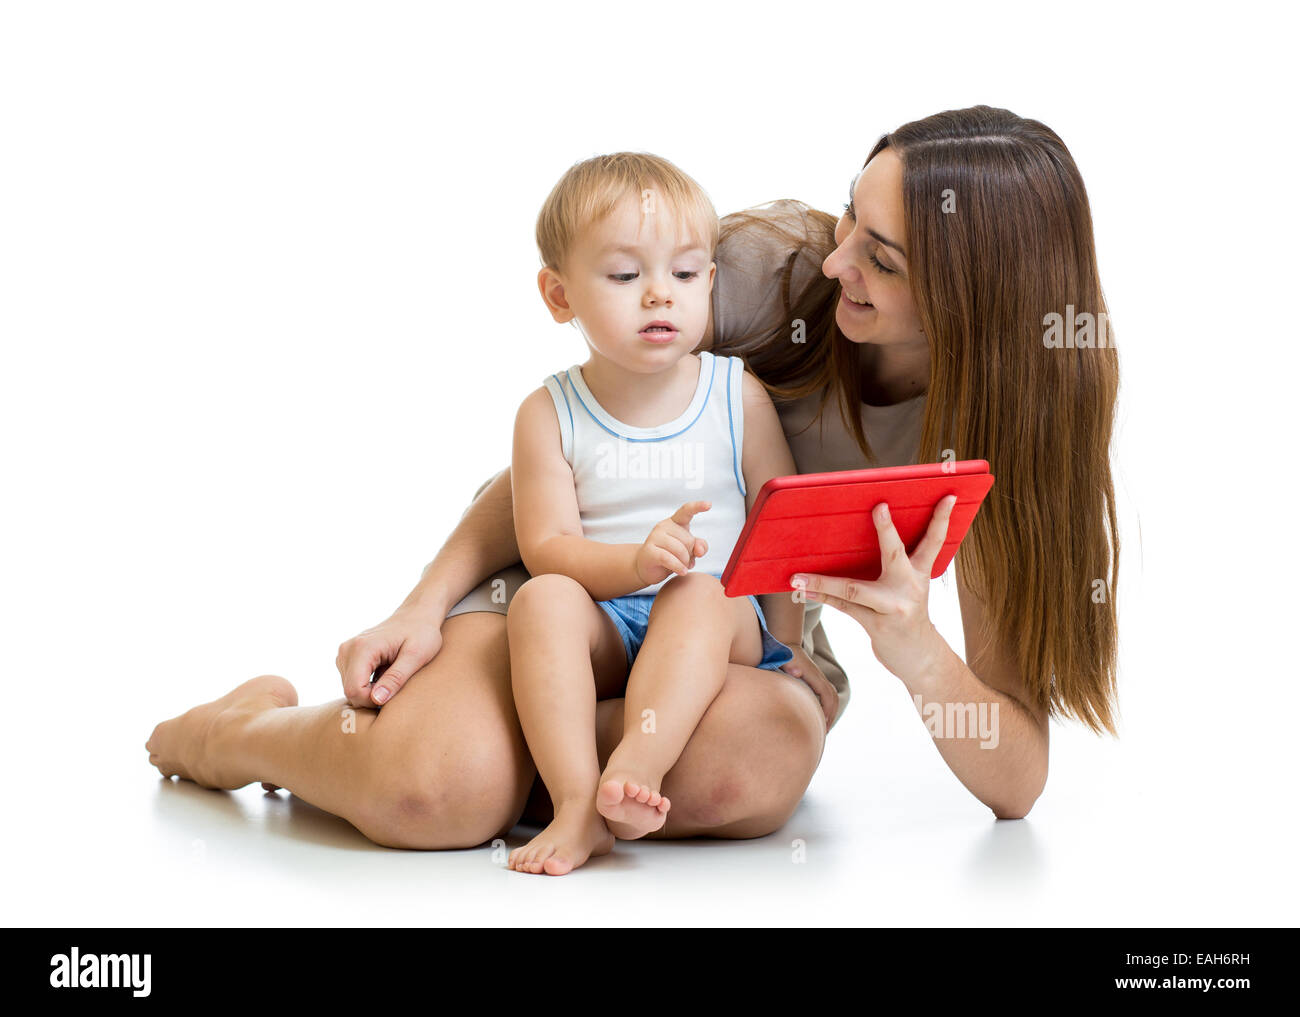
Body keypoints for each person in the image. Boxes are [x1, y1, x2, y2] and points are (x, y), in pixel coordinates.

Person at [146, 106, 1119, 848]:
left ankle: (527, 763)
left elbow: (1016, 781)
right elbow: (571, 441)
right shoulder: (761, 271)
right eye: (851, 219)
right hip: (570, 572)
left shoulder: (1003, 436)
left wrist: (912, 649)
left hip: (726, 626)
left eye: (882, 258)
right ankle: (249, 735)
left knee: (756, 763)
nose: (835, 261)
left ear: (976, 296)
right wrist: (421, 606)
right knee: (428, 790)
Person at [504, 153, 803, 875]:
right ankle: (579, 804)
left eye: (686, 273)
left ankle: (634, 766)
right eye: (625, 275)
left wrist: (793, 654)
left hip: (715, 627)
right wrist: (633, 564)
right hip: (611, 618)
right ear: (559, 294)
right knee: (541, 600)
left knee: (698, 591)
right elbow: (546, 545)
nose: (659, 296)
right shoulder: (549, 412)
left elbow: (784, 528)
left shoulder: (737, 394)